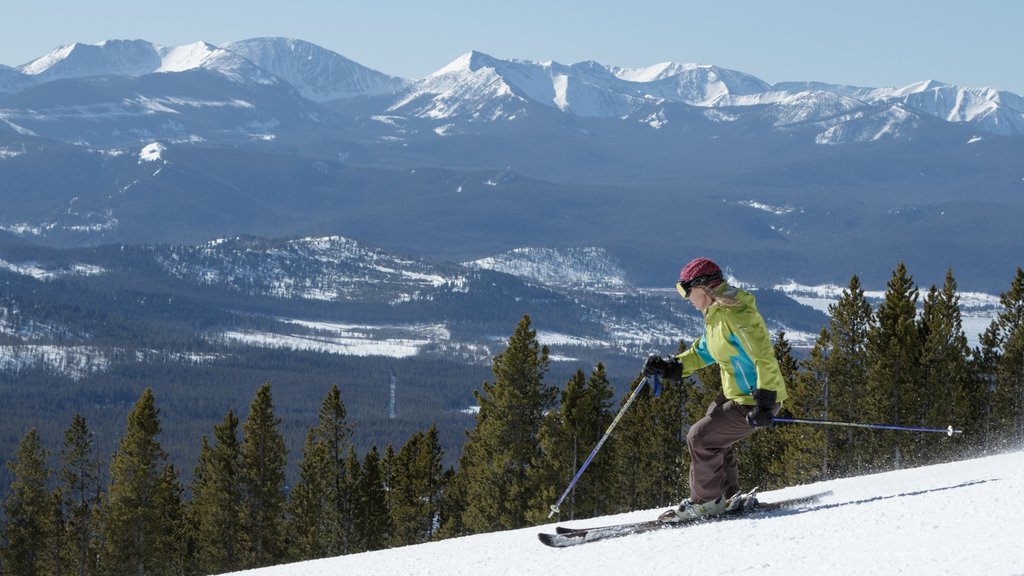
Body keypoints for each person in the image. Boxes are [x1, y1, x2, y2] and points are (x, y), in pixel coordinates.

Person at [642, 256, 787, 522]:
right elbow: (704, 351)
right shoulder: (717, 314)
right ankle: (726, 496)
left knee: (700, 437)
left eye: (686, 290)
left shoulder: (737, 314)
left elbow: (763, 355)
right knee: (714, 429)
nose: (685, 297)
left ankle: (707, 502)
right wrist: (671, 367)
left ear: (704, 287)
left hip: (755, 399)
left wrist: (766, 402)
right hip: (737, 394)